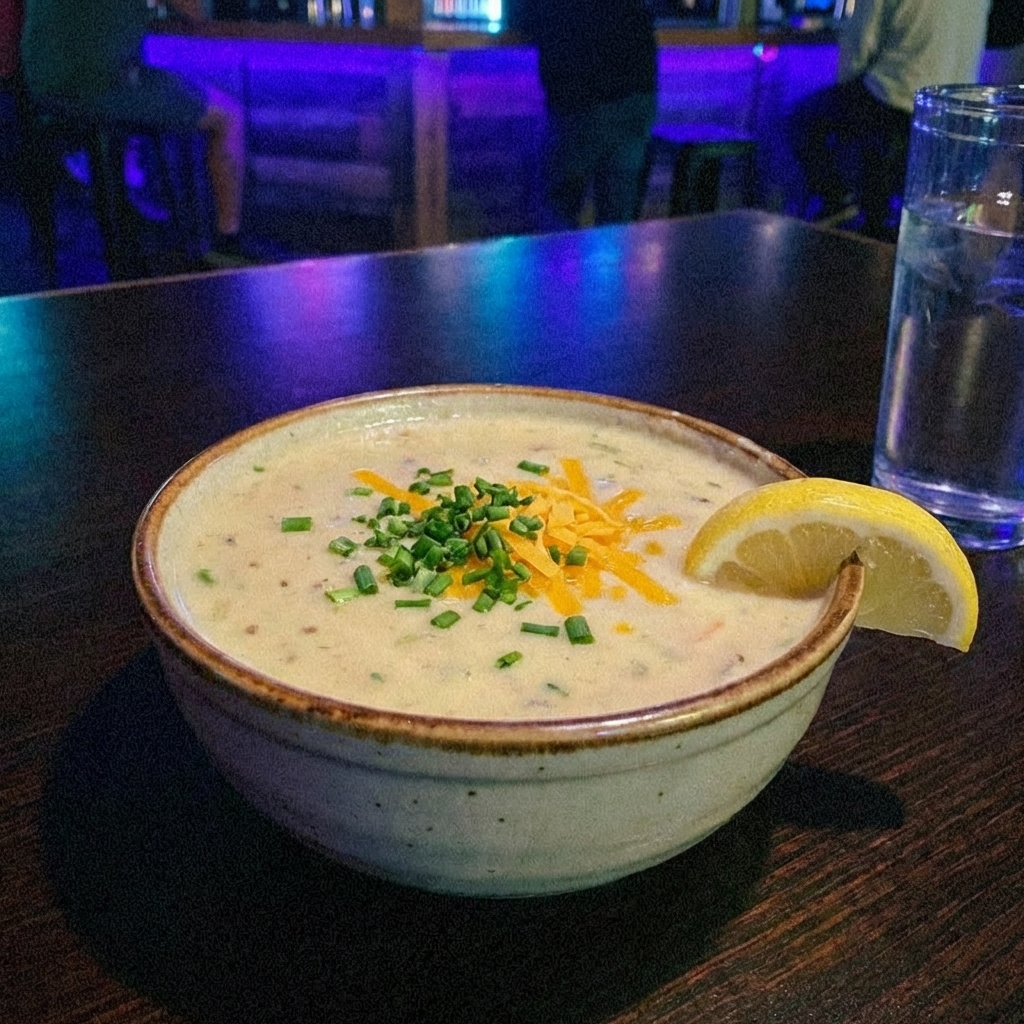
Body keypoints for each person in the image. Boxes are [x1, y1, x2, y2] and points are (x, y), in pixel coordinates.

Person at [19, 0, 248, 265]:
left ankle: (129, 200)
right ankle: (226, 243)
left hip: (41, 83)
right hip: (102, 86)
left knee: (139, 86)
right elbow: (196, 13)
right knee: (229, 116)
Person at [789, 0, 992, 242]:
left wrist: (845, 87)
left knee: (799, 121)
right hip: (953, 116)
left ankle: (837, 202)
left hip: (893, 106)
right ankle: (861, 216)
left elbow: (859, 44)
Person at [508, 0, 657, 230]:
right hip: (638, 89)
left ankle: (562, 266)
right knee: (618, 224)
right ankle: (610, 267)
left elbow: (524, 17)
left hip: (584, 92)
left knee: (556, 211)